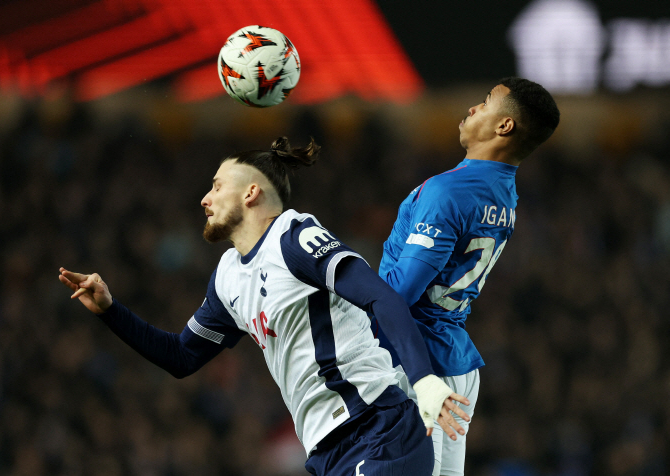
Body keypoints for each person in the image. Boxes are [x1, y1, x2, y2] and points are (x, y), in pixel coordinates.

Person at [59, 137, 472, 476]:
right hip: (326, 452)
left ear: (251, 192)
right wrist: (111, 311)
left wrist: (423, 381)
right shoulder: (227, 277)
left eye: (217, 186)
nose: (205, 198)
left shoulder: (295, 237)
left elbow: (380, 296)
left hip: (377, 427)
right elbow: (181, 356)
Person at [375, 77, 560, 476]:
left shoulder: (448, 192)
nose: (473, 108)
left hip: (416, 363)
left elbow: (399, 293)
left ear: (504, 126)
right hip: (454, 362)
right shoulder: (503, 193)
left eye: (484, 102)